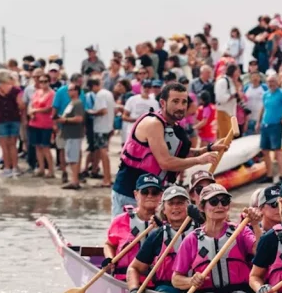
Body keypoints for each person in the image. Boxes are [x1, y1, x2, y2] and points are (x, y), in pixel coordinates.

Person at [112, 82, 224, 215]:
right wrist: (199, 160)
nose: (181, 107)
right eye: (175, 101)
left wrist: (209, 149)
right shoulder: (153, 124)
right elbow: (165, 162)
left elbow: (179, 154)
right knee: (127, 235)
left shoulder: (172, 126)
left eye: (184, 102)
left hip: (153, 193)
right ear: (163, 103)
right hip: (129, 192)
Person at [172, 184, 261, 293]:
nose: (220, 206)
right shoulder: (191, 240)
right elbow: (176, 279)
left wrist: (256, 225)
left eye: (224, 201)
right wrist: (190, 281)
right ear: (202, 207)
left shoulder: (240, 231)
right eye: (214, 202)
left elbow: (261, 253)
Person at [125, 184, 192, 293]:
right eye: (171, 203)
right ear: (164, 210)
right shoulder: (157, 235)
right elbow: (134, 268)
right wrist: (134, 290)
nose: (176, 207)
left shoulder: (201, 232)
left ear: (189, 207)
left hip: (197, 289)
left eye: (180, 203)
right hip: (167, 290)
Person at [103, 174, 163, 278]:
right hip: (124, 278)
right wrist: (109, 259)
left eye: (155, 192)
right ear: (136, 194)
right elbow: (109, 244)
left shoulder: (166, 223)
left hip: (155, 282)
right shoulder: (120, 220)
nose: (150, 196)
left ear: (161, 196)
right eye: (144, 192)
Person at [259, 73, 282, 184]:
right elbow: (263, 108)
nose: (271, 84)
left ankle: (281, 175)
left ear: (277, 83)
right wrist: (259, 121)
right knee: (265, 150)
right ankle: (269, 174)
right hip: (265, 124)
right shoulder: (266, 94)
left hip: (276, 124)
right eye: (269, 82)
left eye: (273, 82)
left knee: (277, 150)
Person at [0, 69, 25, 178]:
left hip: (1, 120)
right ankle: (15, 168)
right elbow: (21, 104)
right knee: (13, 145)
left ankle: (7, 168)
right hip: (14, 119)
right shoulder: (15, 90)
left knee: (4, 146)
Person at [55, 83, 86, 189]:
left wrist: (64, 120)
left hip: (74, 134)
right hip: (69, 134)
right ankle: (74, 180)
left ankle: (75, 181)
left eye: (71, 90)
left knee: (73, 158)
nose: (68, 92)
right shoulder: (72, 103)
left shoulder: (77, 103)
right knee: (71, 157)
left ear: (76, 91)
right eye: (68, 90)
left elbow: (79, 118)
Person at [87, 77, 116, 187]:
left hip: (101, 127)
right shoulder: (108, 93)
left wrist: (92, 112)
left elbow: (103, 110)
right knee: (103, 152)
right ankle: (105, 176)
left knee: (103, 152)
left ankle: (107, 179)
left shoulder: (100, 95)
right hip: (108, 126)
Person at [27, 71, 55, 178]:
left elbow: (48, 108)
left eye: (45, 81)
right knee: (37, 147)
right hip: (34, 123)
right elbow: (31, 104)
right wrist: (31, 111)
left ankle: (51, 170)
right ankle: (41, 168)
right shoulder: (37, 92)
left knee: (46, 147)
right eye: (41, 81)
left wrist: (35, 111)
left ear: (49, 82)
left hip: (45, 124)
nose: (43, 83)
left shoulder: (52, 94)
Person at [214, 63, 242, 139]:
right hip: (223, 112)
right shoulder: (222, 81)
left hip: (231, 113)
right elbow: (220, 98)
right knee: (224, 138)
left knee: (229, 138)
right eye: (237, 71)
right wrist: (233, 95)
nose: (239, 74)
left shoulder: (232, 82)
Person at [242, 71, 267, 135]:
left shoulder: (264, 88)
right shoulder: (246, 88)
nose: (255, 79)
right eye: (253, 77)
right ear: (250, 79)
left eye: (257, 77)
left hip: (261, 120)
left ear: (260, 78)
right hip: (249, 120)